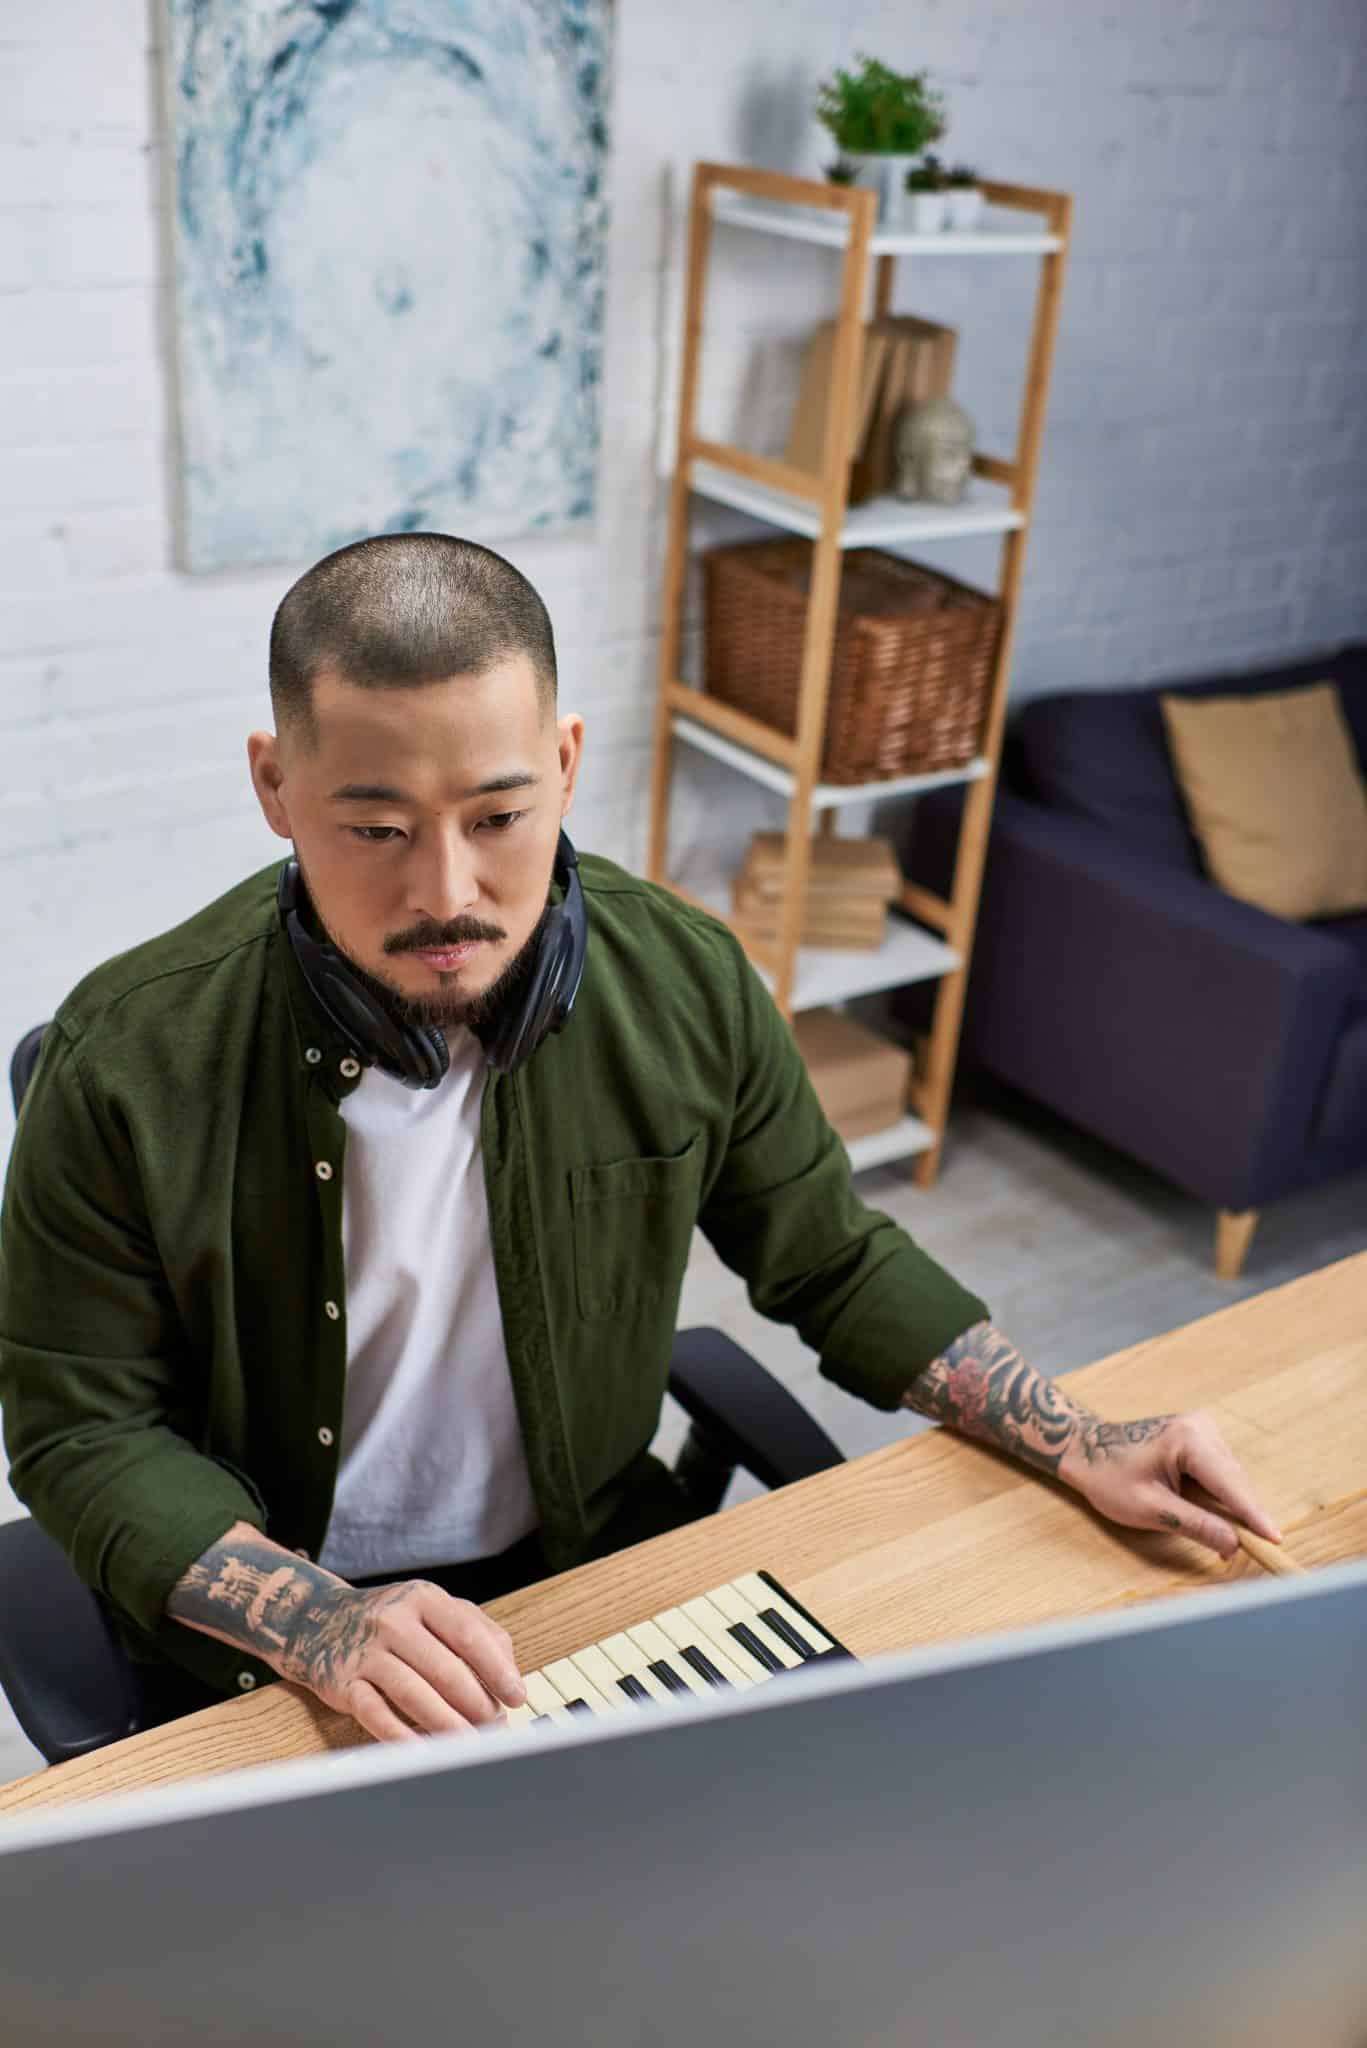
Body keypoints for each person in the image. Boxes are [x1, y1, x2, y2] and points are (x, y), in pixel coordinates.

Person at [0, 534, 1281, 1749]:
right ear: (276, 785)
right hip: (269, 1632)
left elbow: (827, 1257)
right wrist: (321, 1619)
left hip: (588, 1574)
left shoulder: (686, 982)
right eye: (377, 829)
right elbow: (79, 1430)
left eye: (497, 816)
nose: (444, 890)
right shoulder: (122, 1057)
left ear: (563, 763)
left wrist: (1077, 1432)